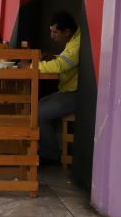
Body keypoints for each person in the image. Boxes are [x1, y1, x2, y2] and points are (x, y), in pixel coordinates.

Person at [38, 11, 80, 164]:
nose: (52, 36)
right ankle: (55, 150)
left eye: (55, 32)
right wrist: (53, 58)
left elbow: (60, 66)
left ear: (67, 32)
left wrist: (32, 66)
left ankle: (48, 155)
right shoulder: (74, 40)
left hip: (78, 94)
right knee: (40, 104)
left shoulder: (77, 44)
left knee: (40, 112)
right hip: (67, 90)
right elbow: (64, 60)